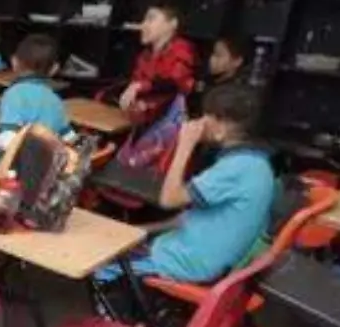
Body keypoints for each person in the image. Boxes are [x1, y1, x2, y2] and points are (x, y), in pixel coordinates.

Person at [106, 83, 274, 284]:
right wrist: (142, 230)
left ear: (223, 126)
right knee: (114, 247)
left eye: (207, 116)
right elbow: (192, 218)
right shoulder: (258, 164)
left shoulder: (236, 169)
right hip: (193, 254)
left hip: (184, 264)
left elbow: (169, 199)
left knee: (100, 269)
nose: (201, 122)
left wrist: (184, 145)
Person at [117, 0, 196, 127]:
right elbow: (135, 83)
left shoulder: (182, 49)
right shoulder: (145, 55)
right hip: (141, 121)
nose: (143, 25)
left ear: (172, 24)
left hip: (168, 125)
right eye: (143, 20)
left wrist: (140, 87)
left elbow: (176, 83)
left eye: (151, 19)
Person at [0, 34, 69, 135]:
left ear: (14, 62)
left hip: (20, 149)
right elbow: (68, 137)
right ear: (54, 69)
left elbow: (7, 138)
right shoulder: (56, 101)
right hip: (48, 150)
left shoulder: (13, 94)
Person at [191, 33, 250, 115]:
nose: (212, 60)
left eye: (219, 55)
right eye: (213, 54)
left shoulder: (234, 93)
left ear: (237, 61)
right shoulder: (206, 80)